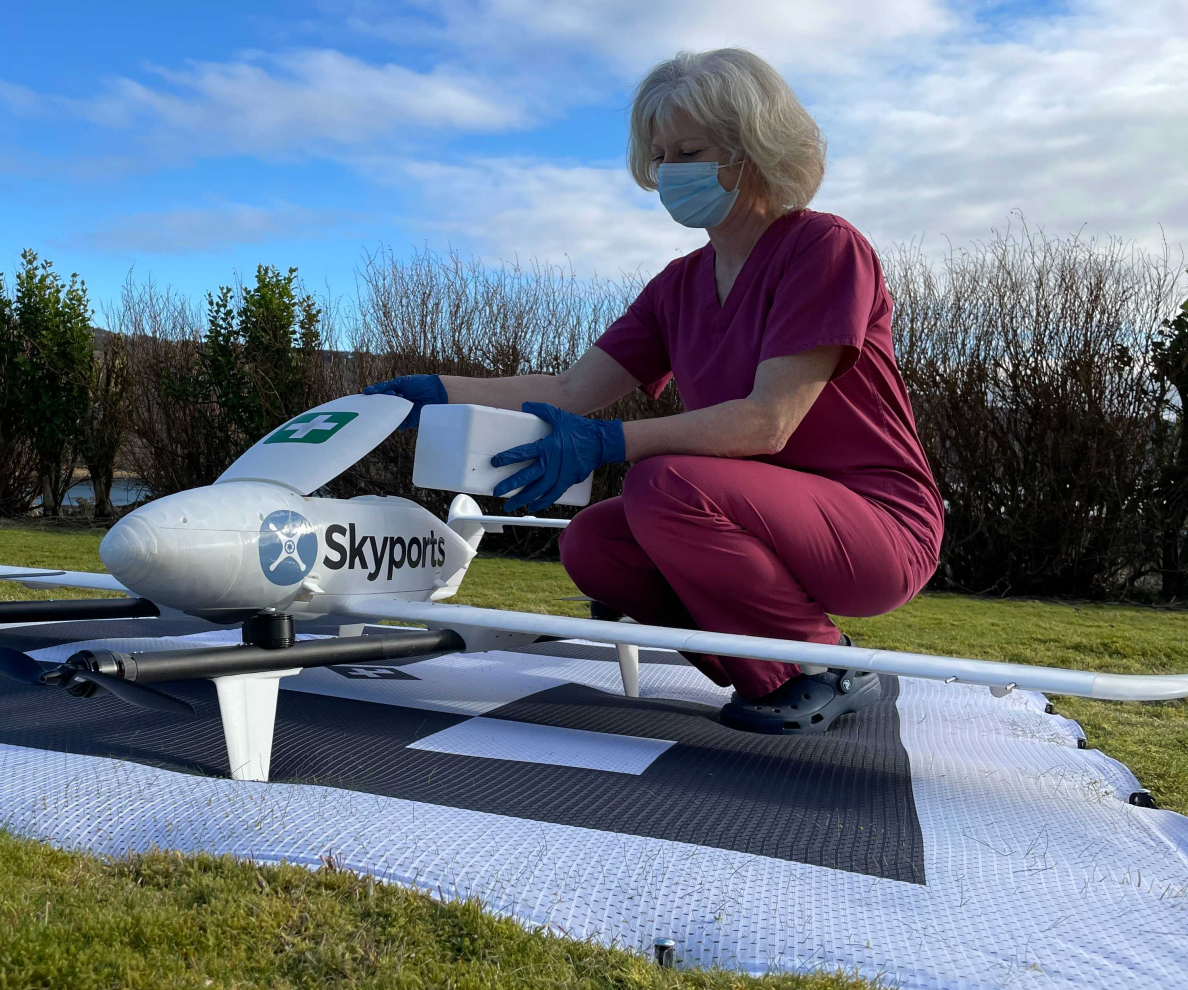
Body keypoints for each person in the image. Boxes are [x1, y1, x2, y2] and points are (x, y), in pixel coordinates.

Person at [365, 47, 943, 736]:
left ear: (752, 149)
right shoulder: (679, 286)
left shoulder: (824, 248)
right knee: (593, 542)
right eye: (661, 154)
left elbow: (768, 423)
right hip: (749, 519)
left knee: (660, 486)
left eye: (690, 150)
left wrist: (612, 444)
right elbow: (570, 388)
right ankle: (772, 674)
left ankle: (821, 663)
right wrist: (434, 392)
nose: (671, 172)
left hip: (877, 527)